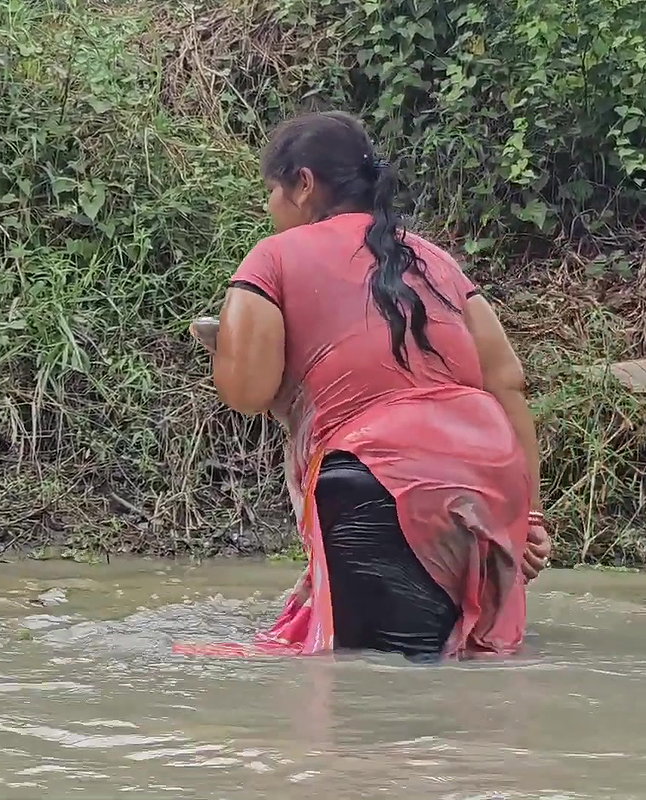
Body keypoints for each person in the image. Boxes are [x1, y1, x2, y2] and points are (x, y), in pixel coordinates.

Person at [207, 111, 552, 660]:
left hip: (381, 475)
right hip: (490, 477)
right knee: (454, 661)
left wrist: (222, 341)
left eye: (271, 192)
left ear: (303, 183)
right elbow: (507, 384)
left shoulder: (274, 257)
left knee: (382, 692)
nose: (269, 210)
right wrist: (527, 517)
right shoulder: (436, 260)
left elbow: (246, 391)